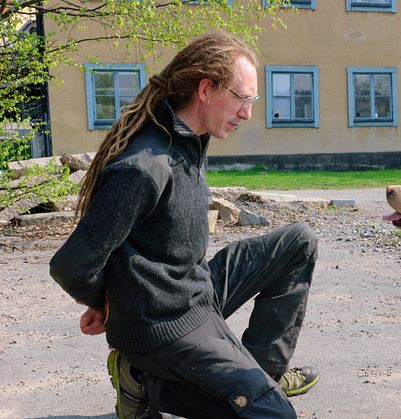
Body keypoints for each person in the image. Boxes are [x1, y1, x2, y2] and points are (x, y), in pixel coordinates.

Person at [49, 31, 318, 418]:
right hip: (164, 323)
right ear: (206, 89)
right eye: (242, 98)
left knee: (299, 242)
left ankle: (264, 376)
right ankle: (143, 380)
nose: (247, 112)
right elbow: (71, 264)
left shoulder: (190, 138)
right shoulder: (144, 167)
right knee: (273, 414)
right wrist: (107, 301)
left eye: (252, 100)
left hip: (193, 291)